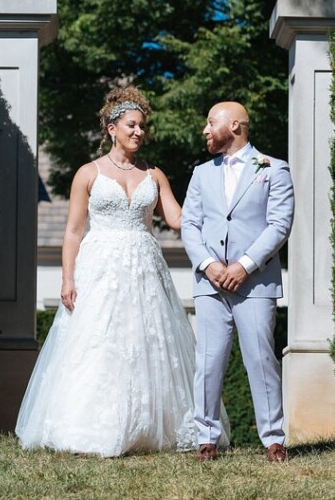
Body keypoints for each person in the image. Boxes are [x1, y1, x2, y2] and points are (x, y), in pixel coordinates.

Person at [16, 86, 228, 456]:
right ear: (112, 128)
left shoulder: (154, 174)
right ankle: (88, 427)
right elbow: (73, 230)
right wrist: (67, 277)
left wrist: (218, 204)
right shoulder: (88, 173)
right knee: (99, 342)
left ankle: (147, 428)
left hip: (145, 266)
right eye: (131, 125)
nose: (139, 132)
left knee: (148, 343)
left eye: (142, 126)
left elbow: (177, 218)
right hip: (99, 267)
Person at [181, 101, 294, 463]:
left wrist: (244, 266)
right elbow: (189, 225)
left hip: (256, 283)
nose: (205, 129)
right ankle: (206, 439)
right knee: (209, 361)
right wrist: (208, 264)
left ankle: (273, 439)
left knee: (261, 359)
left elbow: (279, 225)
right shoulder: (201, 173)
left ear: (235, 127)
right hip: (210, 283)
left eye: (211, 122)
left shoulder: (274, 169)